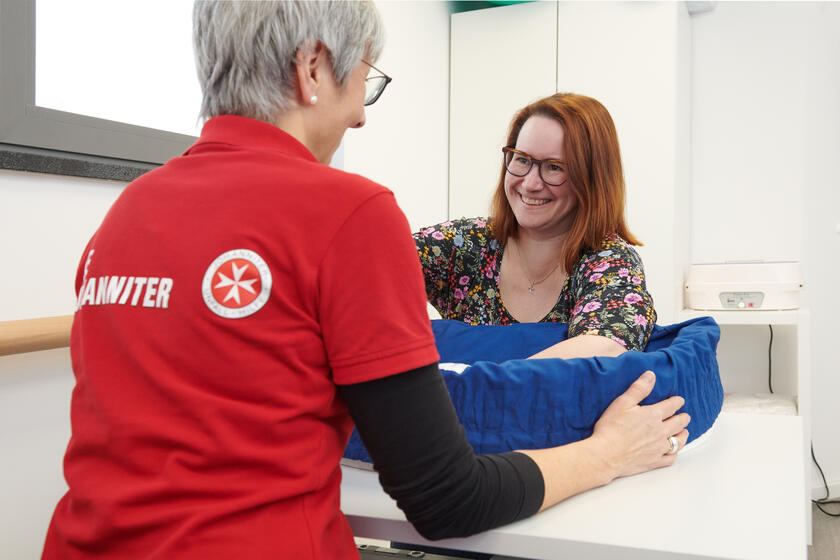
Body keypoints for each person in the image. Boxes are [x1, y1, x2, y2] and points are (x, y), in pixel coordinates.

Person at [41, 3, 689, 559]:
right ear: (314, 68)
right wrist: (608, 455)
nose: (361, 118)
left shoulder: (128, 211)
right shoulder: (353, 215)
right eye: (364, 81)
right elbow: (446, 497)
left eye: (554, 168)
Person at [415, 93, 655, 359]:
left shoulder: (610, 263)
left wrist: (489, 386)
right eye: (522, 159)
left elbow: (607, 347)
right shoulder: (463, 244)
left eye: (554, 167)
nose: (530, 183)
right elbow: (371, 269)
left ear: (592, 179)